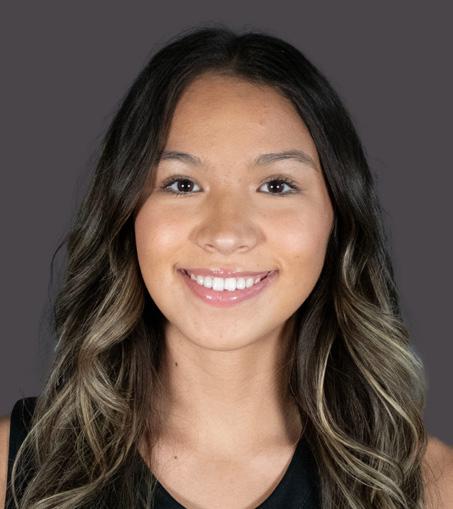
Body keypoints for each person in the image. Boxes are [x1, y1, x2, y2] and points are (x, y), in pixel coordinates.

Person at [0, 24, 452, 509]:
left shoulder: (434, 487)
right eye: (182, 184)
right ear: (126, 214)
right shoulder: (11, 464)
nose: (226, 233)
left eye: (276, 185)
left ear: (336, 216)